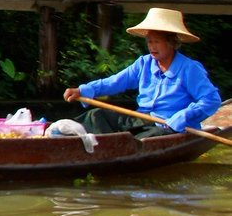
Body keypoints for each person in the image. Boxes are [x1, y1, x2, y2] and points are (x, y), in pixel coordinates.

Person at [63, 8, 221, 137]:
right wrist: (83, 90)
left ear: (172, 43)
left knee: (145, 138)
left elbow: (211, 100)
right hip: (142, 120)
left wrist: (183, 116)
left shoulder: (189, 68)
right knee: (96, 115)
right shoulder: (144, 63)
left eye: (157, 41)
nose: (152, 47)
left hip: (170, 127)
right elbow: (115, 82)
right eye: (149, 41)